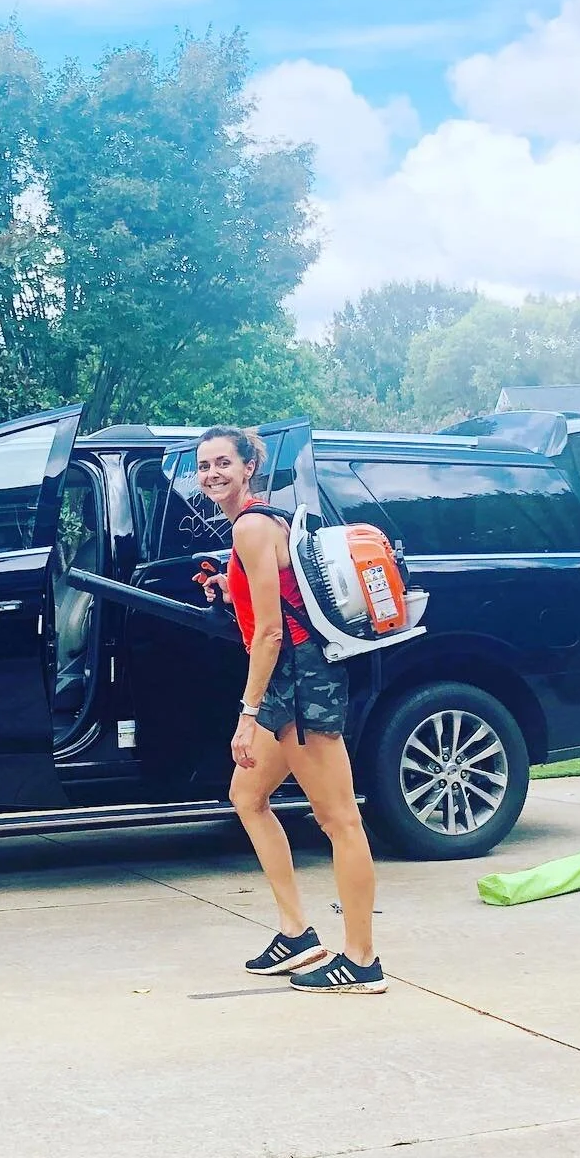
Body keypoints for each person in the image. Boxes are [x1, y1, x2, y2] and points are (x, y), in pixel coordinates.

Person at [193, 426, 385, 994]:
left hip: (298, 683)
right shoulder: (259, 524)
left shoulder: (252, 526)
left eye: (223, 462)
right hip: (290, 679)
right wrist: (230, 594)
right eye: (204, 466)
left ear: (248, 466)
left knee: (339, 820)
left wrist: (246, 715)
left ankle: (362, 959)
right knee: (247, 796)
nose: (212, 474)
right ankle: (297, 933)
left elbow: (273, 632)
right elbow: (270, 604)